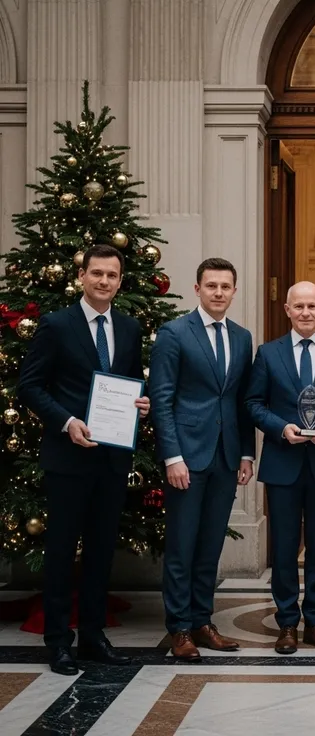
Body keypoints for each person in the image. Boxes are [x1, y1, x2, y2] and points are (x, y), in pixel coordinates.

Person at [17, 244, 150, 675]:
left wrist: (141, 404)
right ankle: (59, 642)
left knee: (100, 551)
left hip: (111, 459)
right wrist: (67, 421)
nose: (104, 281)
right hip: (68, 458)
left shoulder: (128, 327)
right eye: (97, 273)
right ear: (82, 277)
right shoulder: (57, 325)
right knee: (60, 551)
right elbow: (30, 386)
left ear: (120, 281)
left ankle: (93, 636)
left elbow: (130, 382)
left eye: (112, 275)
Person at [149, 257, 255, 662]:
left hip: (226, 457)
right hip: (187, 458)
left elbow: (242, 401)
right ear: (197, 289)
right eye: (211, 285)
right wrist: (172, 456)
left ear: (234, 291)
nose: (218, 293)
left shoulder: (242, 338)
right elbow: (161, 399)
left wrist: (246, 452)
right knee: (182, 545)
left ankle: (201, 621)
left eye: (225, 286)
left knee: (210, 545)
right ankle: (179, 627)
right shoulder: (174, 333)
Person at [245, 282, 315, 655]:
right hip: (283, 463)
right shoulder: (268, 353)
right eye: (299, 306)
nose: (305, 312)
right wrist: (281, 428)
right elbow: (254, 403)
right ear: (288, 310)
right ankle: (287, 624)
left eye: (312, 306)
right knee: (284, 548)